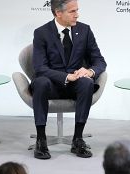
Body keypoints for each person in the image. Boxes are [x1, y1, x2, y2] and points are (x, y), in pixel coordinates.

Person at [31, 0, 107, 159]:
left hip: (75, 85)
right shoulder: (41, 33)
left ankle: (78, 139)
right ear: (58, 13)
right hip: (50, 84)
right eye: (72, 11)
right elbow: (40, 68)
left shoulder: (84, 30)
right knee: (40, 82)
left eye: (77, 10)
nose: (77, 14)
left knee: (86, 82)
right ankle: (41, 139)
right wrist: (66, 76)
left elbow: (99, 61)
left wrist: (90, 71)